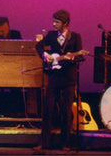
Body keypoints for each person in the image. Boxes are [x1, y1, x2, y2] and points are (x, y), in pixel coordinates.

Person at [35, 9, 84, 150]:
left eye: (57, 21)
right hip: (54, 77)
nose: (54, 23)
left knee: (66, 111)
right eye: (53, 20)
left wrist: (71, 56)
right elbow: (38, 46)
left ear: (66, 23)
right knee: (48, 109)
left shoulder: (75, 37)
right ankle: (44, 143)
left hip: (68, 78)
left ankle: (65, 143)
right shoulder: (51, 35)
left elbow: (80, 56)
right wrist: (46, 55)